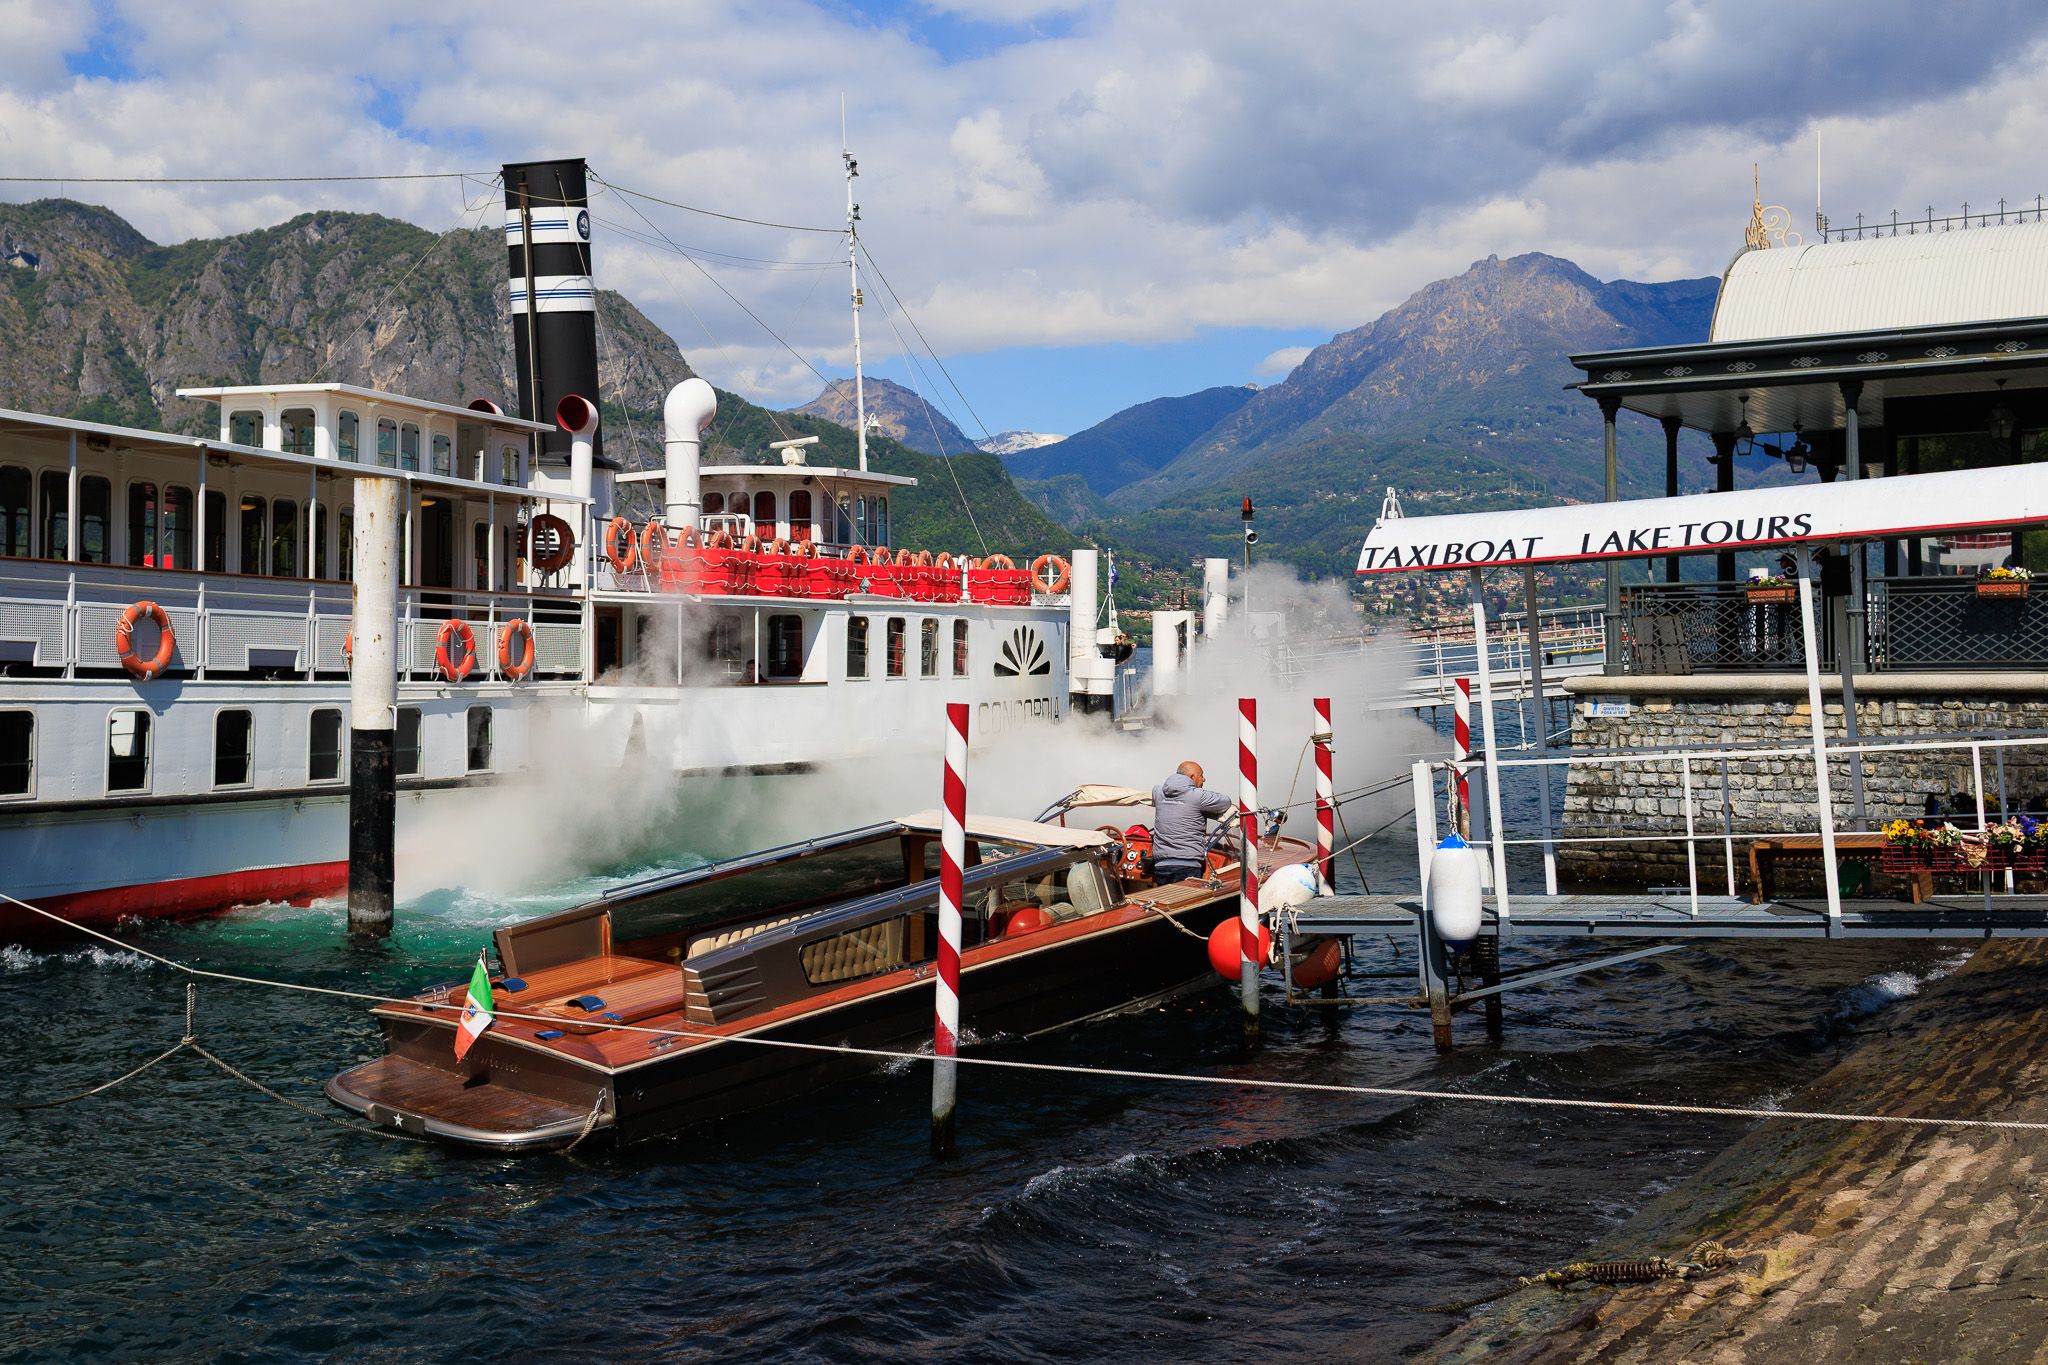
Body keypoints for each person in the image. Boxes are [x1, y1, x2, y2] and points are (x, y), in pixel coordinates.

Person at [1151, 760, 1233, 885]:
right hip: (1187, 865)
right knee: (1187, 903)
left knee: (1167, 900)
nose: (1204, 779)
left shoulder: (1158, 792)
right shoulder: (1198, 796)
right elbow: (1225, 801)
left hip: (1161, 866)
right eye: (1201, 775)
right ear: (1192, 777)